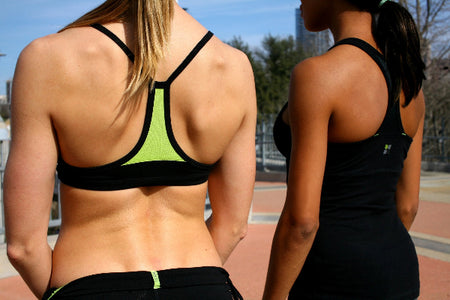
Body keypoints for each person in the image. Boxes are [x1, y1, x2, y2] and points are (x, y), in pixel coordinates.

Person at [4, 1, 256, 299]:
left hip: (91, 284)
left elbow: (24, 247)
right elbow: (234, 225)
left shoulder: (48, 59)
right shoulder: (233, 66)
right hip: (204, 284)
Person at [264, 0, 425, 299]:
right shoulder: (410, 85)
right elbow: (407, 206)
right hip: (398, 272)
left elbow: (302, 222)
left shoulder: (317, 75)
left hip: (331, 278)